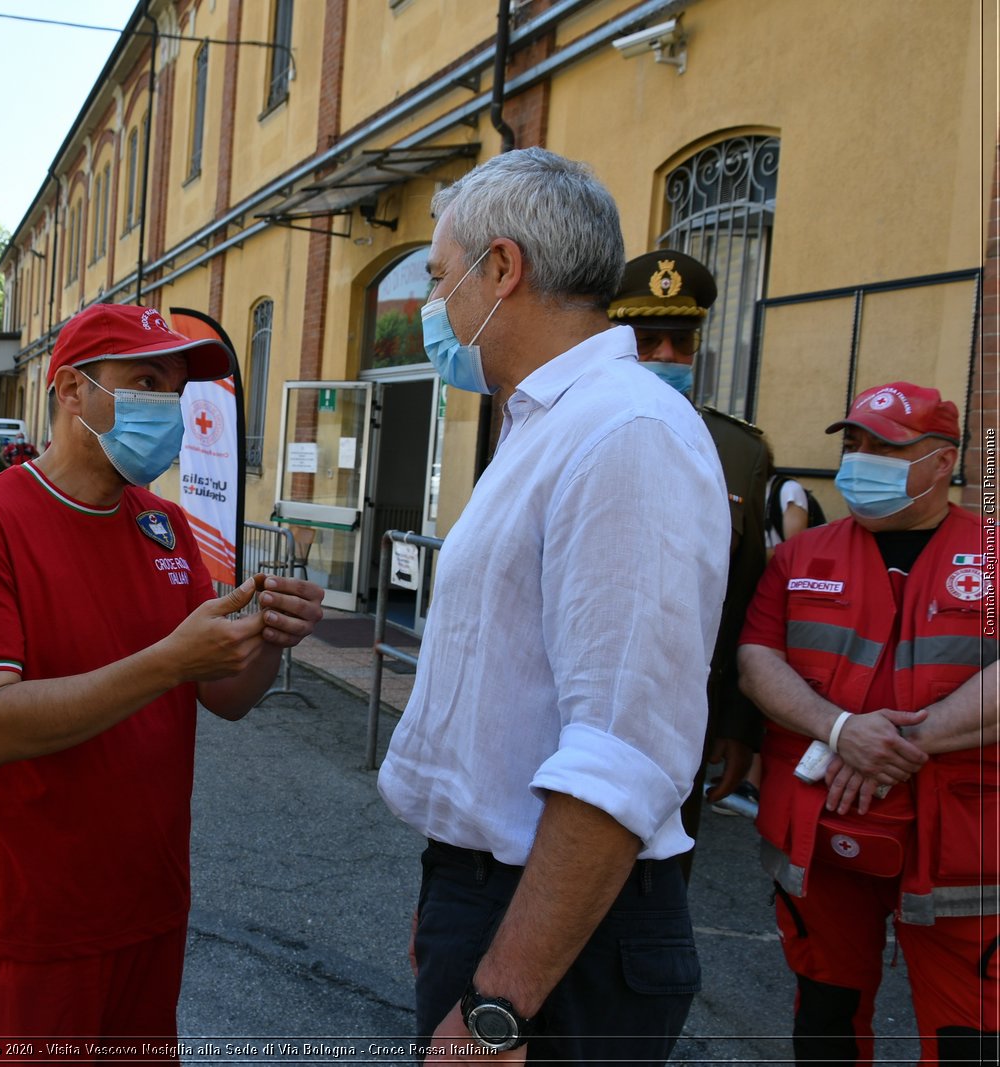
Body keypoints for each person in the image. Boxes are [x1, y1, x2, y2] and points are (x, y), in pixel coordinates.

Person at [375, 148, 730, 1064]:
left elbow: (620, 756)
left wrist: (499, 1003)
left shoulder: (624, 432)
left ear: (504, 269)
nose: (434, 307)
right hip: (506, 899)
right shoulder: (546, 421)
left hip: (562, 935)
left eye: (441, 276)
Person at [0, 301, 325, 1058]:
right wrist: (170, 658)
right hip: (37, 921)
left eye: (176, 391)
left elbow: (224, 695)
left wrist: (271, 634)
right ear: (71, 390)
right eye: (145, 380)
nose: (169, 408)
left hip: (149, 907)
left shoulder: (164, 525)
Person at [737, 381, 996, 1065]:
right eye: (853, 444)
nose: (861, 459)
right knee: (825, 1017)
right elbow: (757, 658)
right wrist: (842, 728)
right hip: (821, 842)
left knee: (972, 1038)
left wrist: (895, 740)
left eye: (886, 446)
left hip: (965, 852)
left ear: (943, 462)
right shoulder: (802, 556)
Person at [607, 251, 770, 830]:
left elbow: (746, 599)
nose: (666, 357)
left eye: (682, 342)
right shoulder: (560, 425)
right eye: (647, 340)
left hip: (682, 714)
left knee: (662, 880)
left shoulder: (739, 452)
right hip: (576, 703)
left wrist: (736, 724)